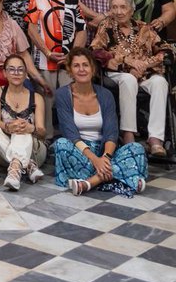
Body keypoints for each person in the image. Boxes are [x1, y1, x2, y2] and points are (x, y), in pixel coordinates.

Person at [53, 49, 148, 196]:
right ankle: (123, 176)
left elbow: (111, 132)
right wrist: (95, 160)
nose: (82, 69)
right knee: (61, 145)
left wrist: (105, 158)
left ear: (93, 69)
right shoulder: (62, 94)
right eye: (76, 66)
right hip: (80, 152)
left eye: (85, 65)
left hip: (105, 151)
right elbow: (70, 133)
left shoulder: (105, 95)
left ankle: (90, 182)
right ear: (70, 70)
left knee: (136, 148)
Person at [91, 0, 169, 158]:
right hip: (117, 74)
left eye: (123, 7)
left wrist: (146, 64)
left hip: (145, 73)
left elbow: (167, 50)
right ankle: (128, 134)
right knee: (128, 79)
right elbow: (96, 51)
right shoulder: (106, 27)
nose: (118, 11)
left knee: (160, 83)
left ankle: (155, 139)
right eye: (114, 7)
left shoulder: (144, 28)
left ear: (131, 9)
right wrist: (127, 61)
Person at [26, 0, 86, 128]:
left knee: (70, 98)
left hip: (68, 60)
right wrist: (47, 52)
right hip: (45, 59)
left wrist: (72, 55)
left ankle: (71, 136)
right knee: (46, 98)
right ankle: (47, 137)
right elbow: (31, 28)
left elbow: (81, 29)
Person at [0, 53, 47, 189]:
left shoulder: (37, 97)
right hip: (5, 148)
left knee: (21, 127)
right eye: (11, 69)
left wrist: (31, 129)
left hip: (34, 152)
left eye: (20, 69)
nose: (16, 73)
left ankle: (16, 167)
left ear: (25, 73)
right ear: (5, 73)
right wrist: (7, 127)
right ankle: (25, 165)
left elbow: (42, 133)